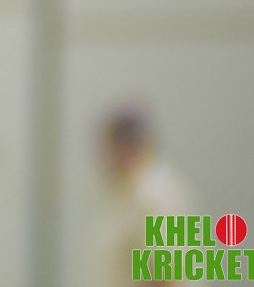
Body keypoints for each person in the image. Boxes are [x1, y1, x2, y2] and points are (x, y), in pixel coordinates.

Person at [82, 102, 196, 287]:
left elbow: (164, 274)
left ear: (124, 146)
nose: (101, 159)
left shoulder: (152, 195)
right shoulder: (122, 193)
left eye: (106, 148)